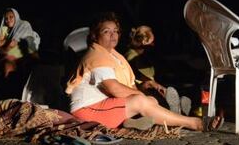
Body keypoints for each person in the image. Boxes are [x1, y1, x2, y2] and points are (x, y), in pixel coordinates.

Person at [65, 11, 223, 132]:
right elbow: (114, 88)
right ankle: (194, 123)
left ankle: (135, 121)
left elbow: (127, 86)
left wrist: (142, 91)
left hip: (102, 106)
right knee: (141, 101)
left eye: (116, 31)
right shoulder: (97, 56)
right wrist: (140, 96)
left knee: (150, 101)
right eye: (107, 31)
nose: (113, 35)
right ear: (95, 35)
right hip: (87, 112)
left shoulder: (112, 54)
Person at [124, 25, 192, 115]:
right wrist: (153, 84)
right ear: (143, 42)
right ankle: (176, 110)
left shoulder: (142, 55)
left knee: (162, 92)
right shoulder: (132, 56)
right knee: (157, 94)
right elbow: (138, 76)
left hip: (145, 88)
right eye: (151, 42)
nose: (153, 45)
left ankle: (177, 108)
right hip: (137, 91)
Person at [0, 8, 40, 79]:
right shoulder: (6, 30)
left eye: (11, 17)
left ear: (16, 16)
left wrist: (5, 44)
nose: (8, 20)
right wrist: (4, 31)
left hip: (25, 54)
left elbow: (14, 43)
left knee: (9, 65)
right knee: (6, 64)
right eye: (6, 18)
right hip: (10, 55)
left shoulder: (23, 24)